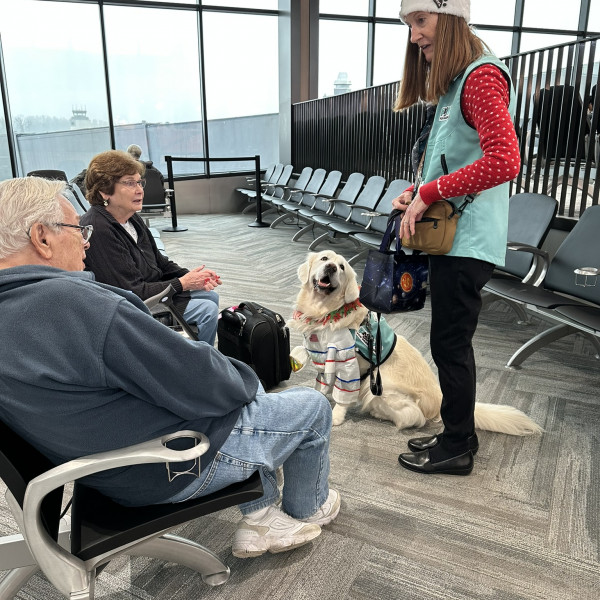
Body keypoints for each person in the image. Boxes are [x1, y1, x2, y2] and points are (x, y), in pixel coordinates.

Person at [0, 176, 340, 558]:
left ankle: (261, 516)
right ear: (42, 237)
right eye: (78, 229)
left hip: (99, 469)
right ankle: (308, 506)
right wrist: (242, 377)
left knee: (238, 391)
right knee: (310, 407)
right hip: (164, 466)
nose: (85, 241)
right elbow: (200, 381)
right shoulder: (77, 305)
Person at [392, 0, 521, 475]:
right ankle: (457, 432)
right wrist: (417, 191)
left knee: (450, 342)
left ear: (449, 19)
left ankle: (457, 447)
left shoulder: (481, 76)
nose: (414, 36)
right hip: (452, 236)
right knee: (449, 340)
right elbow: (455, 160)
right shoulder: (458, 81)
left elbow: (505, 160)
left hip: (467, 240)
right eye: (409, 24)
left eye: (420, 21)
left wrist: (430, 192)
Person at [80, 150, 221, 345]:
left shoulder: (131, 218)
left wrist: (193, 277)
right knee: (207, 310)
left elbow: (161, 263)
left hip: (152, 292)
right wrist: (184, 283)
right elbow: (132, 292)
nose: (139, 190)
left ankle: (196, 354)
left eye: (140, 182)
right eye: (130, 183)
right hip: (130, 308)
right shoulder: (99, 229)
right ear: (104, 191)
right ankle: (198, 360)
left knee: (210, 295)